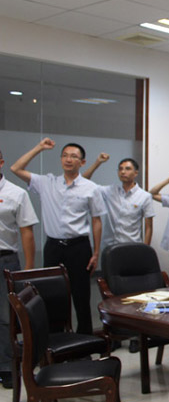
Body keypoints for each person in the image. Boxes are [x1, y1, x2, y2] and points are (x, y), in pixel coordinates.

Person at [11, 138, 106, 335]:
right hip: (53, 246)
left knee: (81, 296)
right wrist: (39, 148)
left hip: (79, 247)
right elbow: (16, 168)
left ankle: (85, 339)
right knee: (52, 296)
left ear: (82, 162)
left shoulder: (91, 188)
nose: (68, 159)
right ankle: (56, 340)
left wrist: (96, 252)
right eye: (64, 156)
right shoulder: (46, 182)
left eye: (73, 156)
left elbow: (96, 221)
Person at [0, 148, 38, 388]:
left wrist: (28, 268)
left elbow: (27, 232)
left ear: (1, 162)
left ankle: (7, 367)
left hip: (5, 260)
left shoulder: (16, 193)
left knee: (6, 317)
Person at [82, 153, 156, 249]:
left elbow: (148, 227)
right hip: (109, 247)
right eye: (120, 169)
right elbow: (83, 182)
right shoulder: (109, 191)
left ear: (136, 173)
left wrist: (145, 250)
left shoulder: (145, 196)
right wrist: (98, 162)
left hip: (132, 246)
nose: (123, 172)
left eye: (127, 169)